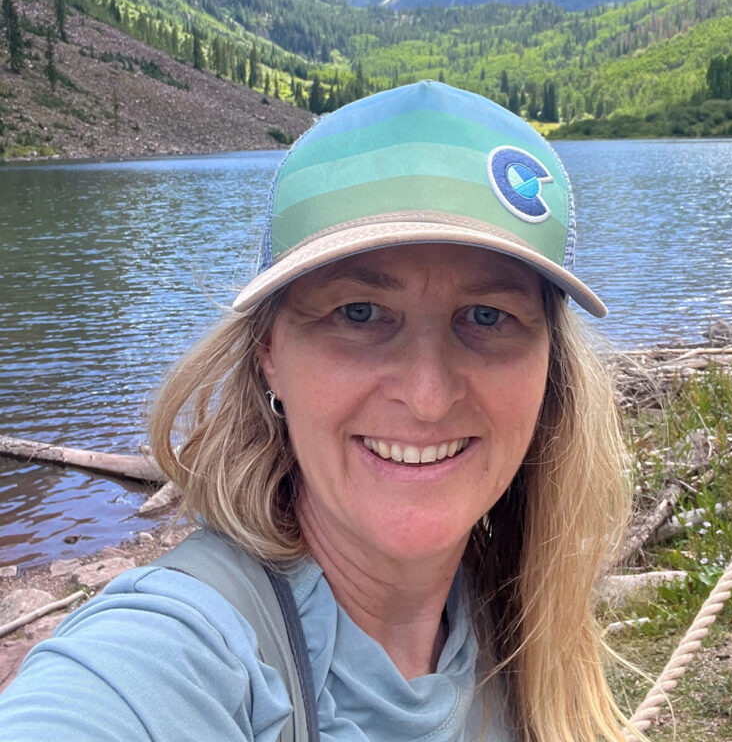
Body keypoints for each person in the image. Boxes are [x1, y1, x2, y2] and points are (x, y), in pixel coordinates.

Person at [0, 80, 634, 741]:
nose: (426, 396)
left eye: (487, 316)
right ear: (269, 352)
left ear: (549, 369)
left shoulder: (520, 626)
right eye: (357, 313)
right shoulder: (174, 657)